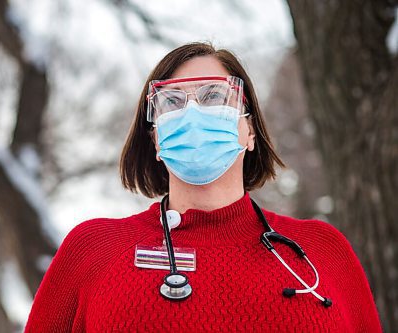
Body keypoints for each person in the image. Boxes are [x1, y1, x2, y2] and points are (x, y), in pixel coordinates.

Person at [24, 42, 382, 332]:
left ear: (250, 130)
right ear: (156, 138)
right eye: (173, 103)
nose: (193, 112)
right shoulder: (94, 250)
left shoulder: (322, 250)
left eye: (213, 96)